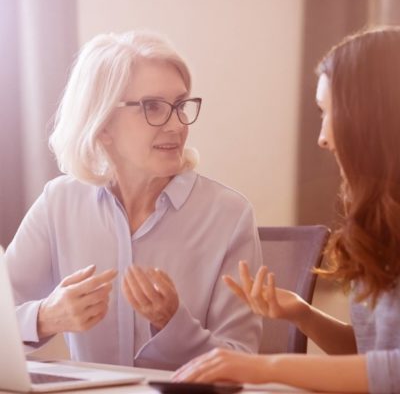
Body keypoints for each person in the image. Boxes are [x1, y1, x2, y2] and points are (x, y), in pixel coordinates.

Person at [4, 30, 262, 370]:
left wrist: (173, 325)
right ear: (102, 123)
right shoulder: (59, 203)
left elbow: (242, 360)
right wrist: (46, 317)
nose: (176, 126)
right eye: (153, 107)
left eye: (180, 105)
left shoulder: (229, 215)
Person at [172, 26, 400, 393]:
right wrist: (302, 314)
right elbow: (373, 354)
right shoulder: (381, 222)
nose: (323, 137)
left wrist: (263, 367)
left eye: (329, 112)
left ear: (372, 117)